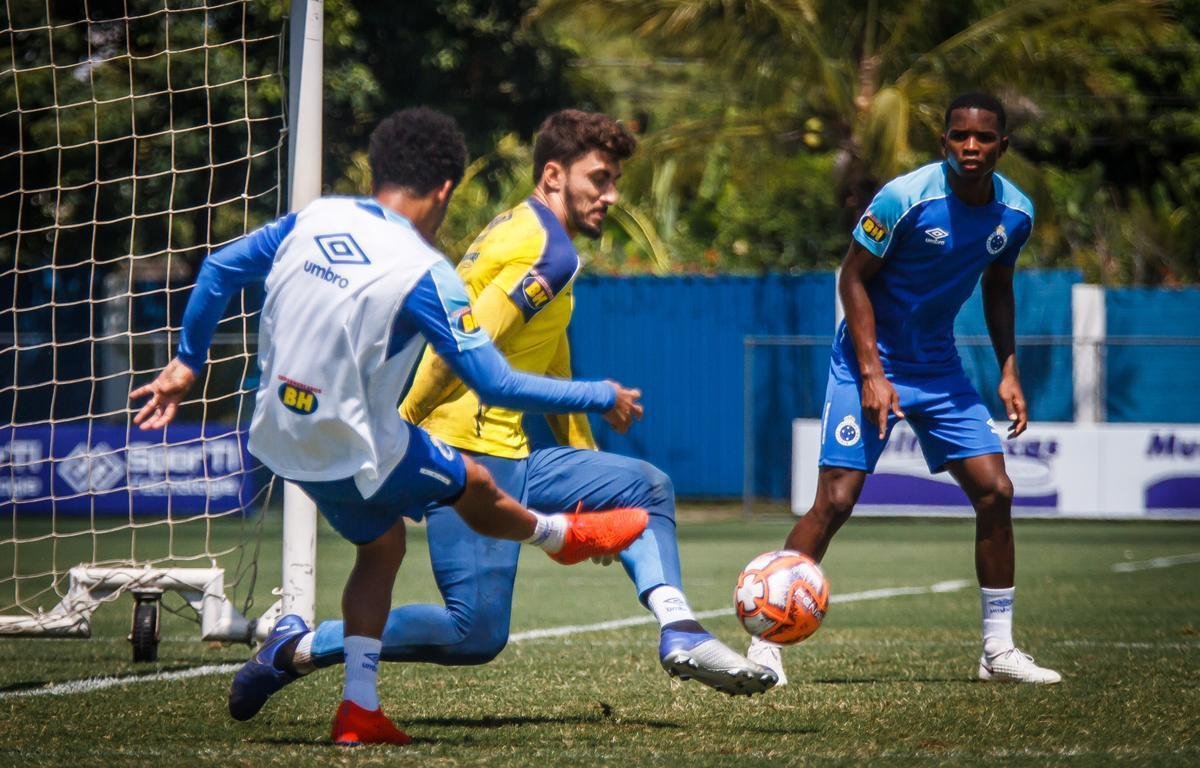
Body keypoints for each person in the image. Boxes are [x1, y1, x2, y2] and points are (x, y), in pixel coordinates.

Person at [129, 107, 651, 746]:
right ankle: (557, 534)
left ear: (379, 171)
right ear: (446, 190)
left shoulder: (314, 218)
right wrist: (599, 394)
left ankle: (359, 708)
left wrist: (186, 363)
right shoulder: (426, 272)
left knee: (382, 547)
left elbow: (217, 270)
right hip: (359, 448)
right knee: (476, 485)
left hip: (274, 440)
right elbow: (494, 383)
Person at [236, 109, 777, 710]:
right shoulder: (549, 251)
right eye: (598, 178)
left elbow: (551, 357)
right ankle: (297, 645)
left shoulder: (526, 231)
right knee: (474, 633)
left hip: (508, 450)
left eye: (614, 180)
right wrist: (403, 437)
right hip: (468, 448)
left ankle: (679, 628)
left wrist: (586, 462)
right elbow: (470, 348)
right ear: (553, 174)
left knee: (644, 489)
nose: (611, 195)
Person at [748, 92, 1062, 686]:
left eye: (984, 137)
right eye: (959, 137)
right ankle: (766, 642)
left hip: (938, 367)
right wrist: (871, 372)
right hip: (865, 360)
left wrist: (1009, 369)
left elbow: (998, 288)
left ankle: (998, 651)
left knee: (995, 490)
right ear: (944, 143)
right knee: (836, 501)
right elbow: (852, 279)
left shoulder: (1015, 214)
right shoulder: (904, 197)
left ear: (1003, 145)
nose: (971, 147)